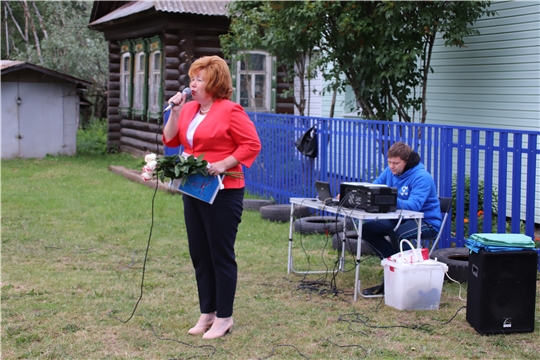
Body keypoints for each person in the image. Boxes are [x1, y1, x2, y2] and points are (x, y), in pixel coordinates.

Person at [163, 56, 261, 339]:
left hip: (224, 191)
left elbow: (251, 144)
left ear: (215, 83)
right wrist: (176, 112)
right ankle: (207, 312)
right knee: (200, 253)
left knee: (220, 254)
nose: (192, 84)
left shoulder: (231, 110)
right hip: (194, 188)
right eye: (192, 79)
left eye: (199, 79)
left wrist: (223, 163)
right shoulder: (190, 108)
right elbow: (170, 140)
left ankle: (224, 317)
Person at [361, 141, 441, 295]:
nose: (392, 166)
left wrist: (387, 198)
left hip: (426, 221)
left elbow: (414, 205)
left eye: (396, 163)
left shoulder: (422, 177)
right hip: (400, 219)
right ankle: (392, 264)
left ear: (407, 161)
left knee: (397, 233)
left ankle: (411, 277)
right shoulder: (390, 171)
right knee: (366, 229)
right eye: (389, 162)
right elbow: (374, 188)